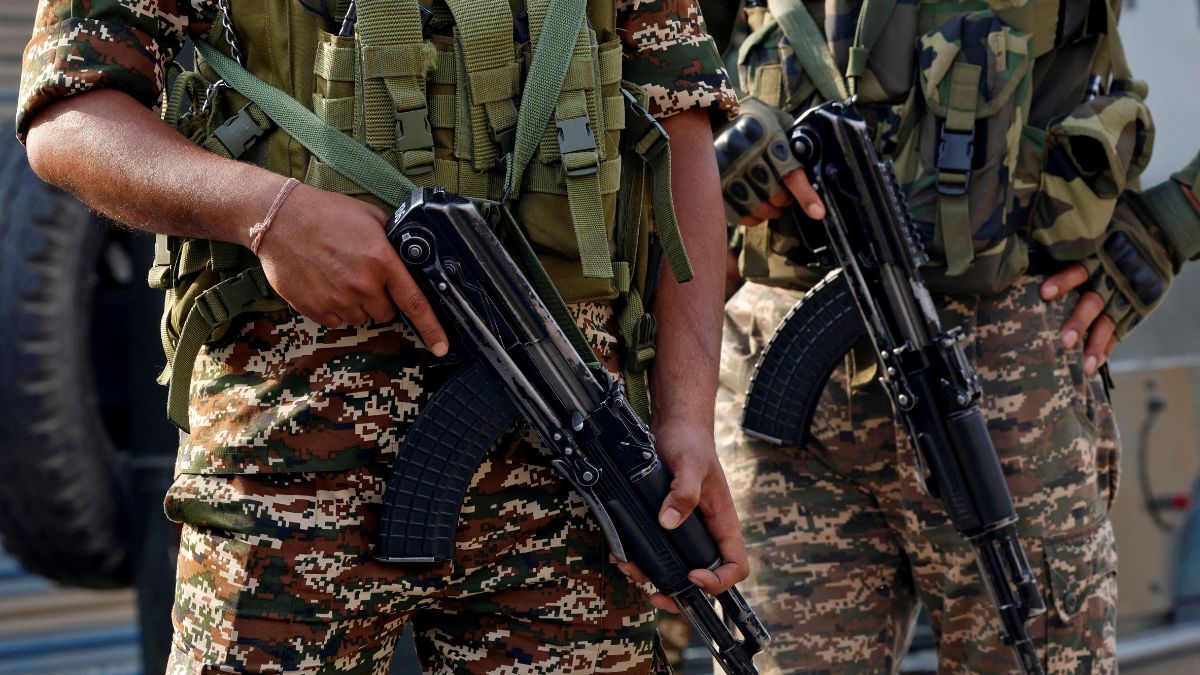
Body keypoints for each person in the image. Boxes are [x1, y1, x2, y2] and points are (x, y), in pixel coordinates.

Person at [18, 1, 749, 672]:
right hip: (285, 474)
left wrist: (685, 415)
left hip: (570, 468)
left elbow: (680, 133)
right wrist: (266, 212)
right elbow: (69, 118)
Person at [714, 1, 1200, 673]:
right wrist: (723, 125)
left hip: (1005, 372)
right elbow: (654, 40)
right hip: (785, 374)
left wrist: (1177, 218)